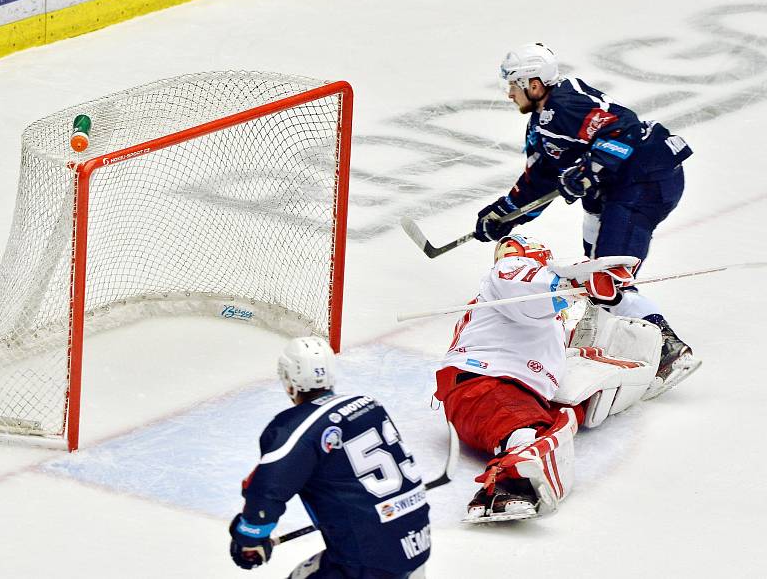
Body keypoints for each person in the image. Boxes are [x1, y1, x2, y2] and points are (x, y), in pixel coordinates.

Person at [473, 42, 699, 395]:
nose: (509, 94)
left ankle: (670, 352)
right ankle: (609, 331)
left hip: (646, 180)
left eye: (514, 86)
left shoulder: (567, 102)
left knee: (606, 277)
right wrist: (505, 212)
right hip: (621, 188)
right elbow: (541, 178)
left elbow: (623, 128)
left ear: (534, 84)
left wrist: (591, 168)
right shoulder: (544, 122)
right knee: (594, 267)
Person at [434, 234, 663, 522]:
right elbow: (522, 286)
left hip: (486, 393)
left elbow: (546, 337)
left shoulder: (540, 317)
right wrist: (573, 283)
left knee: (562, 417)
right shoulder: (507, 274)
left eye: (509, 247)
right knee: (529, 428)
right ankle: (507, 484)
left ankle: (514, 468)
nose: (503, 254)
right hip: (486, 385)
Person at [229, 336, 430, 578]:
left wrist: (249, 537)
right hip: (416, 546)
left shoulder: (294, 428)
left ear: (289, 380)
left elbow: (266, 491)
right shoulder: (368, 405)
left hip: (367, 563)